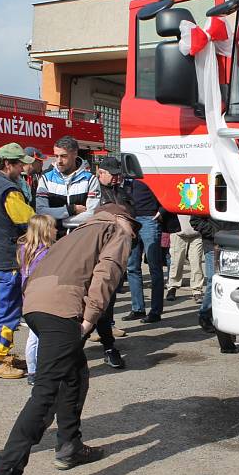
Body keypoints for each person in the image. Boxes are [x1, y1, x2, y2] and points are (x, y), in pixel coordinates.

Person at [0, 203, 139, 475]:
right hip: (62, 309)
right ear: (122, 217)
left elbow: (38, 267)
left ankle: (69, 445)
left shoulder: (77, 233)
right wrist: (89, 318)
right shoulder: (117, 230)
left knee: (75, 373)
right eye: (133, 225)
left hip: (37, 304)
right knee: (46, 392)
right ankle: (4, 474)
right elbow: (107, 273)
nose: (134, 233)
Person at [0, 143, 36, 380]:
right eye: (19, 164)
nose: (23, 168)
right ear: (7, 164)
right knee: (8, 310)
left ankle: (2, 353)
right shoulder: (8, 189)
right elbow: (28, 220)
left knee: (3, 308)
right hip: (8, 257)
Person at [94, 155, 135, 368]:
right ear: (101, 172)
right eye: (114, 174)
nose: (117, 178)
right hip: (93, 251)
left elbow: (131, 214)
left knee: (107, 301)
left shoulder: (120, 192)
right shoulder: (93, 192)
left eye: (119, 174)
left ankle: (108, 346)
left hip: (115, 252)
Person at [123, 177, 177, 324]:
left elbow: (171, 189)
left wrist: (161, 211)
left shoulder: (151, 171)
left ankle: (155, 311)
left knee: (155, 268)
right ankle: (138, 309)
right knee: (132, 267)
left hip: (149, 219)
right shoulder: (126, 172)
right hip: (131, 220)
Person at [17, 214, 57, 386]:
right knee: (41, 336)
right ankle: (39, 370)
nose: (57, 230)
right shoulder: (46, 253)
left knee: (34, 336)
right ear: (45, 231)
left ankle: (33, 370)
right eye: (54, 227)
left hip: (28, 298)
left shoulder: (24, 249)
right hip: (43, 299)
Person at [35, 135, 99, 237]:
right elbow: (41, 212)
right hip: (52, 240)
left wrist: (60, 222)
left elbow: (92, 215)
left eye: (63, 156)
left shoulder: (90, 180)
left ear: (74, 154)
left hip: (80, 239)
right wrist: (70, 210)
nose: (59, 161)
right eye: (56, 156)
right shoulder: (46, 179)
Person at [190, 215, 238, 333]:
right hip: (213, 244)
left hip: (235, 243)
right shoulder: (206, 198)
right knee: (213, 280)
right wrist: (216, 234)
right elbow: (195, 220)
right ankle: (205, 314)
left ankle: (227, 316)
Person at [165, 215, 205, 303]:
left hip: (197, 234)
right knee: (176, 262)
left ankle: (197, 290)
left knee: (196, 262)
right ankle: (172, 287)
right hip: (178, 233)